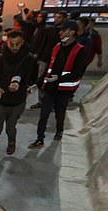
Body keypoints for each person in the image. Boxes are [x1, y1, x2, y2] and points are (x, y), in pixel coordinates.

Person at [29, 20, 87, 149]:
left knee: (59, 113)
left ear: (72, 32)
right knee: (44, 114)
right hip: (50, 88)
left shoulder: (80, 50)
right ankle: (40, 139)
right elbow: (49, 68)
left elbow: (77, 72)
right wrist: (37, 83)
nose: (60, 33)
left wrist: (59, 78)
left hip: (64, 90)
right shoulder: (56, 47)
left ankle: (59, 131)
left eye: (64, 30)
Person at [0, 30, 36, 170]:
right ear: (7, 42)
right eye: (11, 44)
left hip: (17, 102)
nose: (14, 47)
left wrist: (22, 85)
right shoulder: (2, 58)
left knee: (10, 128)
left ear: (23, 43)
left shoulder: (28, 59)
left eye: (17, 44)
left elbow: (32, 78)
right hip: (1, 101)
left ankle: (11, 141)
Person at [30, 10, 66, 109]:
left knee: (51, 80)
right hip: (45, 58)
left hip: (56, 60)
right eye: (55, 17)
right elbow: (44, 44)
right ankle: (41, 101)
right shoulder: (50, 30)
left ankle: (49, 102)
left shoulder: (60, 31)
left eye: (59, 17)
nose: (56, 19)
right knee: (41, 79)